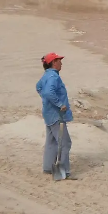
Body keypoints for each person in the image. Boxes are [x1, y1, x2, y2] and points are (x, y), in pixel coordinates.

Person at [36, 52, 75, 180]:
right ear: (53, 62)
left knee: (52, 141)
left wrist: (46, 101)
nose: (61, 63)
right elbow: (48, 91)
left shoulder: (46, 75)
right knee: (65, 143)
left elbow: (39, 88)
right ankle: (64, 172)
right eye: (59, 60)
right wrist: (59, 104)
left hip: (49, 114)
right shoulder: (54, 76)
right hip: (56, 115)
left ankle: (48, 168)